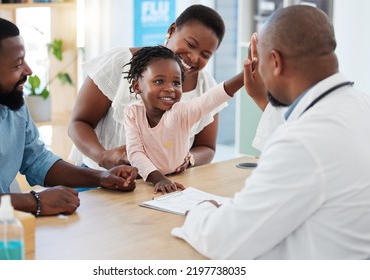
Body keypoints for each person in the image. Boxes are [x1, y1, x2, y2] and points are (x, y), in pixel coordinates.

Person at [172, 5, 370, 259]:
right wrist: (263, 98)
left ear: (275, 62)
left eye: (261, 61)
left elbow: (225, 241)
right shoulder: (360, 106)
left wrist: (201, 211)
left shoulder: (303, 142)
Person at [0, 15, 138, 217]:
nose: (28, 71)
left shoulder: (11, 106)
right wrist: (34, 201)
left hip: (0, 229)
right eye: (17, 65)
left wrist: (101, 177)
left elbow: (38, 161)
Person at [67, 4, 243, 174]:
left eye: (205, 55)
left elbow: (206, 147)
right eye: (190, 44)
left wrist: (188, 159)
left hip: (163, 186)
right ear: (172, 30)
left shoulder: (206, 86)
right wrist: (103, 156)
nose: (194, 57)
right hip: (99, 179)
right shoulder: (121, 62)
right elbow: (79, 123)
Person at [124, 46, 241, 193]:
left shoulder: (181, 112)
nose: (170, 89)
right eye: (159, 81)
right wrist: (158, 179)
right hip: (147, 182)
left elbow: (211, 98)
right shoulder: (132, 113)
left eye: (176, 83)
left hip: (181, 180)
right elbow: (135, 153)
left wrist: (244, 76)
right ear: (137, 86)